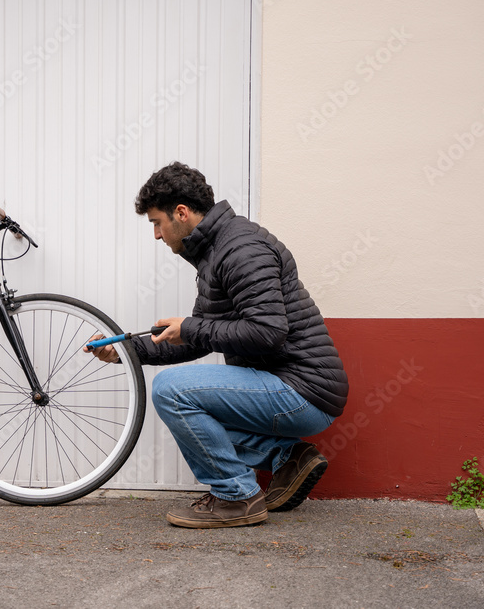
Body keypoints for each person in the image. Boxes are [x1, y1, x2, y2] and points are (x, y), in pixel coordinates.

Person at [85, 162, 348, 528]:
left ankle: (236, 496)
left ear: (181, 212)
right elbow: (195, 341)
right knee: (188, 404)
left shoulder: (241, 248)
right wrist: (125, 353)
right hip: (287, 386)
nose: (157, 236)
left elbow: (268, 331)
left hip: (302, 391)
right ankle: (286, 457)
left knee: (171, 390)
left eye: (157, 223)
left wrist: (191, 327)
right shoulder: (215, 252)